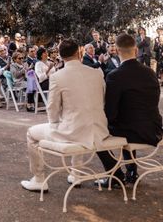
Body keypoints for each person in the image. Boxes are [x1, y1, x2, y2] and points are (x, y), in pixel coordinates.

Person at [20, 38, 110, 193]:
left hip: (73, 131)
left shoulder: (58, 76)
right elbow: (103, 101)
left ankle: (39, 179)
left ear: (61, 56)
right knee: (77, 123)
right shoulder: (97, 73)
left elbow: (52, 109)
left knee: (31, 134)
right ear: (78, 53)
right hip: (100, 129)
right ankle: (76, 174)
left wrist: (55, 126)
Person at [97, 33, 163, 186]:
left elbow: (111, 113)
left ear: (118, 51)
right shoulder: (150, 72)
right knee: (128, 120)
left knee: (95, 130)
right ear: (135, 50)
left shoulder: (115, 76)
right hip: (154, 128)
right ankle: (132, 171)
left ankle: (115, 174)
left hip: (133, 131)